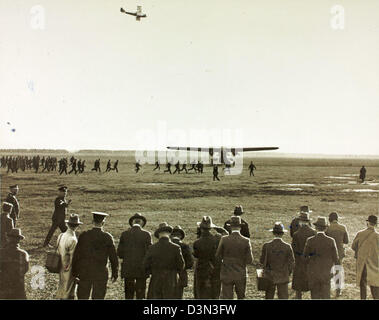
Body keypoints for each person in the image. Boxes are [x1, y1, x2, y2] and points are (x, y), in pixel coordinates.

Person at [72, 212, 118, 300]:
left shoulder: (84, 235)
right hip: (100, 272)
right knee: (98, 296)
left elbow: (77, 255)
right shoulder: (108, 237)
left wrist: (74, 272)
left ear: (92, 221)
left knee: (82, 296)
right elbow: (113, 257)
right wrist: (114, 272)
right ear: (103, 223)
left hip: (85, 270)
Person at [143, 222, 184, 299]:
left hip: (156, 279)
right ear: (169, 234)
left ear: (158, 234)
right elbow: (181, 265)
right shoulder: (176, 247)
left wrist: (152, 272)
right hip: (171, 279)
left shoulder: (152, 248)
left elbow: (145, 264)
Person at [216, 216, 253, 299]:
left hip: (226, 273)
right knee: (241, 297)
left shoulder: (224, 239)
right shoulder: (246, 240)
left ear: (230, 227)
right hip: (241, 274)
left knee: (227, 297)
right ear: (240, 227)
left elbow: (217, 256)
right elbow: (250, 260)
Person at [117, 213, 152, 299]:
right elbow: (150, 253)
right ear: (142, 223)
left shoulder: (125, 234)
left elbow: (120, 253)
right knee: (141, 294)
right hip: (142, 269)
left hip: (128, 269)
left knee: (128, 295)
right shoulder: (147, 234)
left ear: (132, 222)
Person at [303, 217, 339, 299]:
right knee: (326, 296)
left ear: (315, 228)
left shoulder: (310, 240)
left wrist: (311, 263)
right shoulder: (331, 241)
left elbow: (304, 258)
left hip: (313, 273)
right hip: (326, 274)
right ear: (326, 228)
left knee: (314, 296)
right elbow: (336, 259)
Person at [193, 216, 225, 299]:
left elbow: (196, 255)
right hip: (216, 269)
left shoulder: (197, 242)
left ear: (201, 228)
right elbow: (226, 237)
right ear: (211, 228)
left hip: (202, 271)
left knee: (201, 294)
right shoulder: (218, 239)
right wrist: (220, 230)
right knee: (215, 294)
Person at [260, 222, 294, 299]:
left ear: (273, 233)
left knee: (269, 297)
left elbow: (261, 261)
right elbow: (292, 263)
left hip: (269, 276)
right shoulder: (287, 246)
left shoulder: (267, 246)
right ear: (282, 234)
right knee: (283, 297)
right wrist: (287, 273)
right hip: (283, 276)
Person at [352, 215, 379, 300]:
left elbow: (353, 246)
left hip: (362, 263)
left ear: (367, 223)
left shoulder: (360, 233)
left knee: (362, 285)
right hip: (374, 264)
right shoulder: (378, 236)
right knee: (374, 285)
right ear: (376, 224)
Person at [56, 214, 83, 300]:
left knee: (62, 287)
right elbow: (73, 257)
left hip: (60, 264)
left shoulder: (61, 235)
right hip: (69, 267)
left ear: (68, 224)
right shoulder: (73, 239)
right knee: (69, 290)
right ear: (77, 226)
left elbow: (58, 251)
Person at [291, 212, 316, 299]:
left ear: (300, 222)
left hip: (299, 262)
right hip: (310, 262)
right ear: (308, 222)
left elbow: (293, 250)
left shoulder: (296, 234)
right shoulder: (314, 232)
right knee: (312, 284)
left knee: (298, 286)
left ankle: (299, 297)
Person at [0, 229, 29, 299]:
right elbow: (25, 270)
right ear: (19, 240)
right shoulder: (24, 254)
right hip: (19, 288)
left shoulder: (1, 252)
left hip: (3, 287)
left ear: (8, 238)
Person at [326, 212, 349, 297]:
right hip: (339, 253)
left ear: (330, 219)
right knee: (338, 270)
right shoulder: (343, 227)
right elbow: (346, 241)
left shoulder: (327, 228)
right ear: (337, 219)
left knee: (328, 270)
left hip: (329, 253)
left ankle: (327, 289)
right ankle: (338, 290)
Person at [170, 225, 194, 299]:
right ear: (181, 236)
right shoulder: (185, 246)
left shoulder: (167, 245)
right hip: (181, 275)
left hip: (168, 275)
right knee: (179, 296)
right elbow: (190, 263)